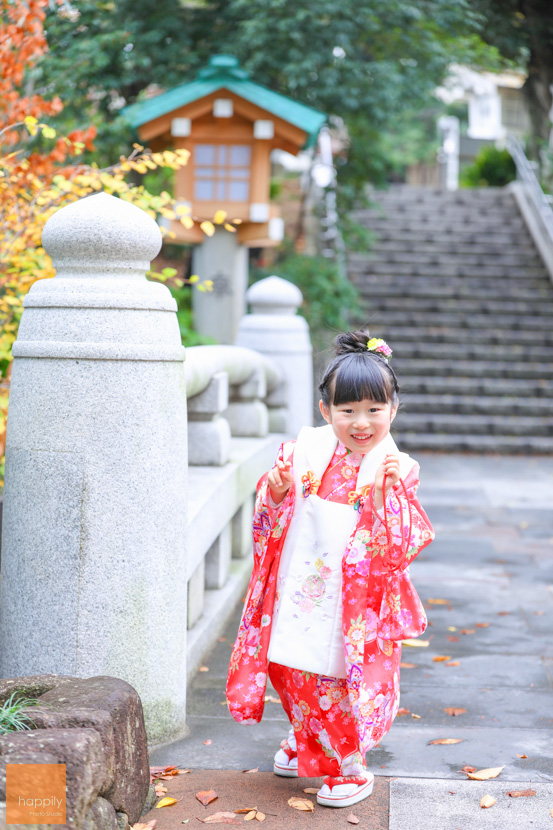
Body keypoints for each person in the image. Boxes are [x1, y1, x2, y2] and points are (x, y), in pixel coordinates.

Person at [226, 329, 434, 808]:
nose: (361, 424)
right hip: (302, 583)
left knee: (336, 677)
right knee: (289, 665)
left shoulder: (397, 468)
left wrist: (390, 499)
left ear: (393, 410)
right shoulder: (305, 452)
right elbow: (269, 514)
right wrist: (277, 489)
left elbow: (402, 544)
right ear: (326, 411)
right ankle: (308, 741)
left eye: (373, 411)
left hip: (354, 599)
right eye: (347, 411)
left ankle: (350, 764)